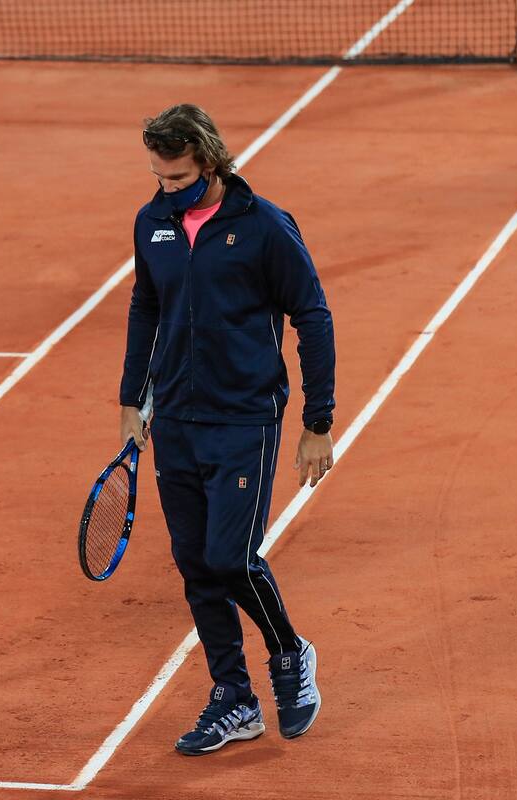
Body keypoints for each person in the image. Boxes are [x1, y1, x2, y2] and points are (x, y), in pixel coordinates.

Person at [119, 104, 335, 755]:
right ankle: (234, 698)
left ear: (210, 163)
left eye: (178, 178)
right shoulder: (152, 221)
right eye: (159, 177)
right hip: (177, 419)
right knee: (193, 564)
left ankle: (290, 655)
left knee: (230, 559)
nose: (167, 189)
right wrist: (133, 399)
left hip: (244, 418)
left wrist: (316, 423)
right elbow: (146, 306)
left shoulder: (265, 226)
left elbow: (313, 315)